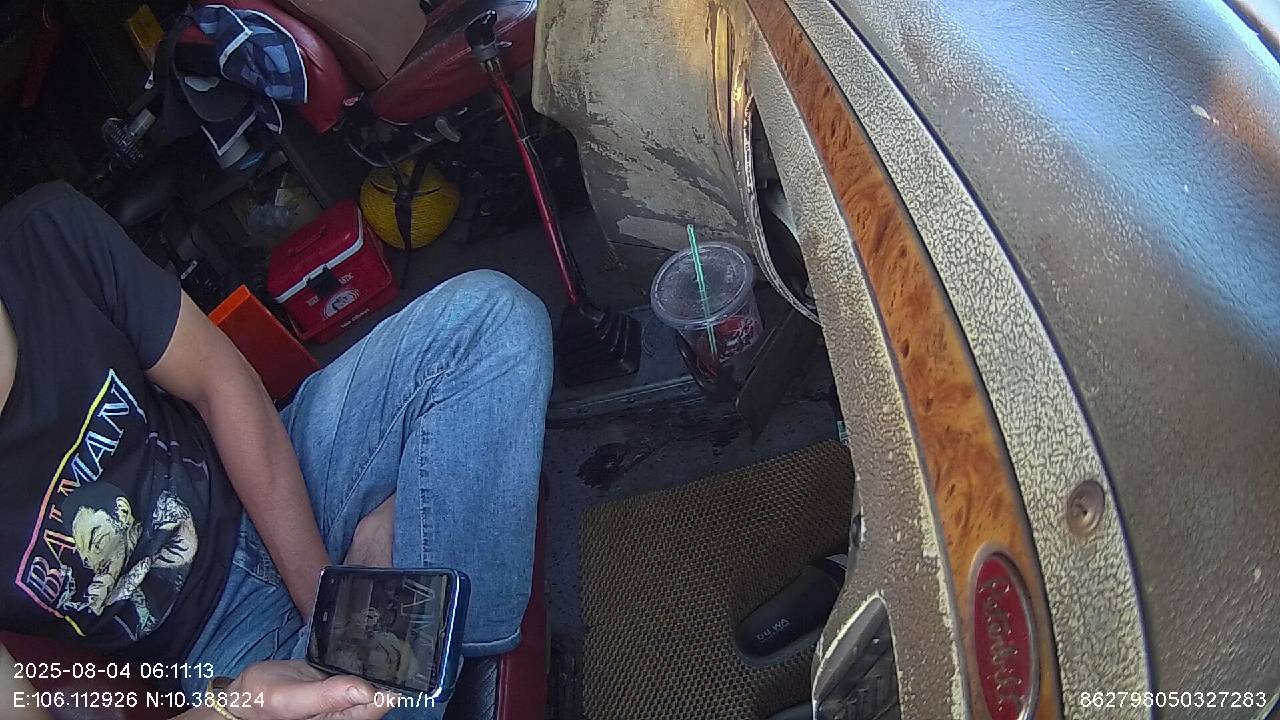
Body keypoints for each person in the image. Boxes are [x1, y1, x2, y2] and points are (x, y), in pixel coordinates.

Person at [0, 182, 554, 719]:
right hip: (215, 653)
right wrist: (234, 707)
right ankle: (433, 650)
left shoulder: (47, 235)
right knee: (359, 696)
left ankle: (446, 648)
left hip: (275, 478)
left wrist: (330, 604)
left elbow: (219, 382)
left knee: (490, 320)